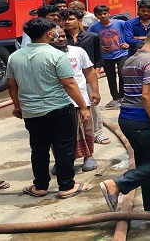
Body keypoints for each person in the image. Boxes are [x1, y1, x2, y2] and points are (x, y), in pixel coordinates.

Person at [6, 18, 92, 199]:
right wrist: (83, 107)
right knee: (64, 147)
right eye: (54, 30)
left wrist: (17, 105)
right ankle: (67, 186)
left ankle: (40, 186)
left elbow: (12, 85)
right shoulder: (56, 55)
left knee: (38, 148)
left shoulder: (15, 56)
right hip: (59, 108)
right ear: (48, 34)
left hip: (31, 111)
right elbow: (69, 83)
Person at [99, 28, 150, 212]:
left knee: (148, 161)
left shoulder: (132, 59)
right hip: (144, 120)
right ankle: (117, 184)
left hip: (129, 118)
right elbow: (147, 95)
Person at [50, 26, 100, 173]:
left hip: (80, 100)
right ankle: (63, 161)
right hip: (56, 102)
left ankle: (89, 157)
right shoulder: (46, 55)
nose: (61, 39)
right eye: (57, 36)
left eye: (63, 36)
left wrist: (95, 91)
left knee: (85, 129)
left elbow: (89, 71)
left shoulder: (78, 51)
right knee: (59, 134)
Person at [61, 8, 108, 144]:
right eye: (65, 20)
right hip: (68, 79)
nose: (67, 22)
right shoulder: (61, 38)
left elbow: (98, 57)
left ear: (79, 20)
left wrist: (95, 74)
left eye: (70, 19)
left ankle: (97, 133)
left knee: (92, 107)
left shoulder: (91, 37)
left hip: (87, 77)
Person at [89, 4, 130, 109]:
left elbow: (130, 33)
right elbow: (90, 40)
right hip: (106, 56)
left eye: (105, 13)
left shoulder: (121, 23)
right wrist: (99, 48)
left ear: (109, 13)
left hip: (122, 53)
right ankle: (115, 98)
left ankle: (122, 96)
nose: (103, 16)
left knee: (122, 73)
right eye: (100, 14)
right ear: (96, 15)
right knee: (110, 77)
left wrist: (127, 43)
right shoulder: (93, 27)